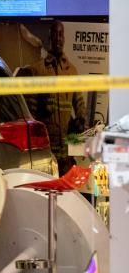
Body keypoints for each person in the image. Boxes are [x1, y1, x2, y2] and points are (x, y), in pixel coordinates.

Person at [27, 21, 87, 175]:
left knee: (67, 193)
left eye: (61, 34)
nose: (58, 38)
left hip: (66, 152)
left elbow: (79, 103)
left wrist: (82, 121)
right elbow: (30, 114)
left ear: (64, 38)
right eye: (54, 34)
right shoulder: (37, 70)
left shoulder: (71, 71)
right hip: (46, 152)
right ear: (49, 39)